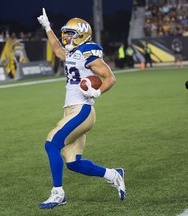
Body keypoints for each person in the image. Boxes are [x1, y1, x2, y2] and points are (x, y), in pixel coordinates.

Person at [37, 8, 126, 209]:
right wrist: (48, 27)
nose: (66, 37)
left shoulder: (88, 51)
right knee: (73, 163)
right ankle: (114, 174)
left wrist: (98, 92)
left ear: (82, 34)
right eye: (65, 34)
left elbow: (110, 77)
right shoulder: (73, 53)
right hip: (72, 110)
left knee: (51, 144)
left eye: (70, 34)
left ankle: (58, 193)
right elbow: (57, 49)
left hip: (82, 110)